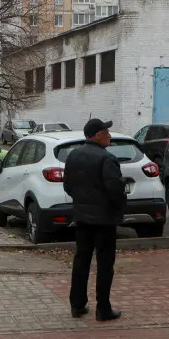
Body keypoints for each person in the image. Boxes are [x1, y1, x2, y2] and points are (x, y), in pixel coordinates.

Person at [62, 118, 125, 321]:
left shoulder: (73, 156)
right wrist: (119, 207)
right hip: (104, 221)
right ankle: (103, 309)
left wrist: (82, 202)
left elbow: (68, 187)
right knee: (105, 265)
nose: (110, 136)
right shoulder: (107, 158)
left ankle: (77, 305)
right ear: (97, 135)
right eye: (107, 132)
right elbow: (115, 189)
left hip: (82, 219)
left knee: (81, 261)